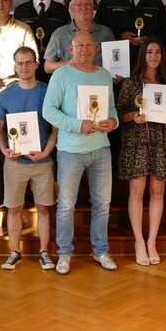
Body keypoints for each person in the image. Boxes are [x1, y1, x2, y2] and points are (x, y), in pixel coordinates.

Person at [42, 31, 119, 274]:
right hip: (70, 150)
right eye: (80, 46)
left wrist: (113, 123)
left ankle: (101, 251)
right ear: (71, 49)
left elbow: (113, 110)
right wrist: (78, 125)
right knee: (66, 205)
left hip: (101, 149)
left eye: (88, 45)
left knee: (103, 204)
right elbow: (48, 111)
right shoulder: (61, 75)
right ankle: (64, 253)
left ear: (95, 48)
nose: (85, 50)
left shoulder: (104, 75)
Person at [0, 47, 58, 271]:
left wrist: (46, 152)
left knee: (43, 208)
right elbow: (0, 130)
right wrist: (3, 150)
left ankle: (44, 253)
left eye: (28, 63)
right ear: (14, 66)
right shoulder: (4, 96)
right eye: (20, 63)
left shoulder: (48, 91)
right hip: (15, 163)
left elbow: (55, 129)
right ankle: (14, 252)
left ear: (36, 64)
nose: (24, 67)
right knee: (13, 208)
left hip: (42, 161)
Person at [116, 38, 166, 265]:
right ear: (142, 55)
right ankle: (138, 242)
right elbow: (119, 115)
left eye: (158, 52)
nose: (153, 56)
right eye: (149, 52)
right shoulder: (131, 83)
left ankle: (152, 241)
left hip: (160, 141)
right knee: (137, 191)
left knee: (157, 191)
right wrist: (133, 116)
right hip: (136, 142)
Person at [43, 0, 114, 73]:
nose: (83, 8)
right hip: (70, 83)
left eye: (87, 4)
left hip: (99, 83)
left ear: (93, 7)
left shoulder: (106, 33)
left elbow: (115, 62)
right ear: (72, 8)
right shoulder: (59, 34)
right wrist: (70, 63)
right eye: (79, 5)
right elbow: (47, 67)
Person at [13, 0, 70, 71]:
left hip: (55, 66)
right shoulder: (21, 11)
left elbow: (67, 39)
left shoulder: (62, 11)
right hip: (28, 68)